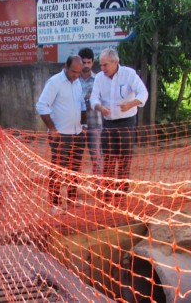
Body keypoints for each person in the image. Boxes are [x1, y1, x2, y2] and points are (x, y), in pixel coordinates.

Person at [90, 48, 148, 196]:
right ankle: (108, 192)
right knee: (108, 159)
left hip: (126, 123)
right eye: (101, 65)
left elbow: (143, 93)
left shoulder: (129, 74)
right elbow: (93, 98)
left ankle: (122, 193)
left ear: (115, 62)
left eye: (105, 65)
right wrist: (99, 107)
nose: (102, 69)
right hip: (108, 124)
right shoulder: (99, 78)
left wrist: (131, 104)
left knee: (124, 159)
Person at [35, 55, 87, 215]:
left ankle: (72, 199)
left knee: (75, 168)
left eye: (79, 72)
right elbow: (42, 106)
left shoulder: (77, 82)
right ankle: (55, 203)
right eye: (73, 71)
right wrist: (52, 128)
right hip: (60, 136)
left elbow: (82, 104)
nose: (76, 75)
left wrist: (83, 125)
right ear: (65, 66)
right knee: (57, 170)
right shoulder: (54, 82)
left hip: (78, 133)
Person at [78, 47, 103, 175]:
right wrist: (87, 98)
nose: (86, 65)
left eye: (88, 62)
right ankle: (73, 187)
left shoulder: (99, 79)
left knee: (97, 155)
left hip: (95, 122)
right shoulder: (73, 79)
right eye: (83, 62)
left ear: (93, 63)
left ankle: (99, 187)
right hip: (77, 123)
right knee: (75, 155)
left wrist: (89, 98)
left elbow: (101, 99)